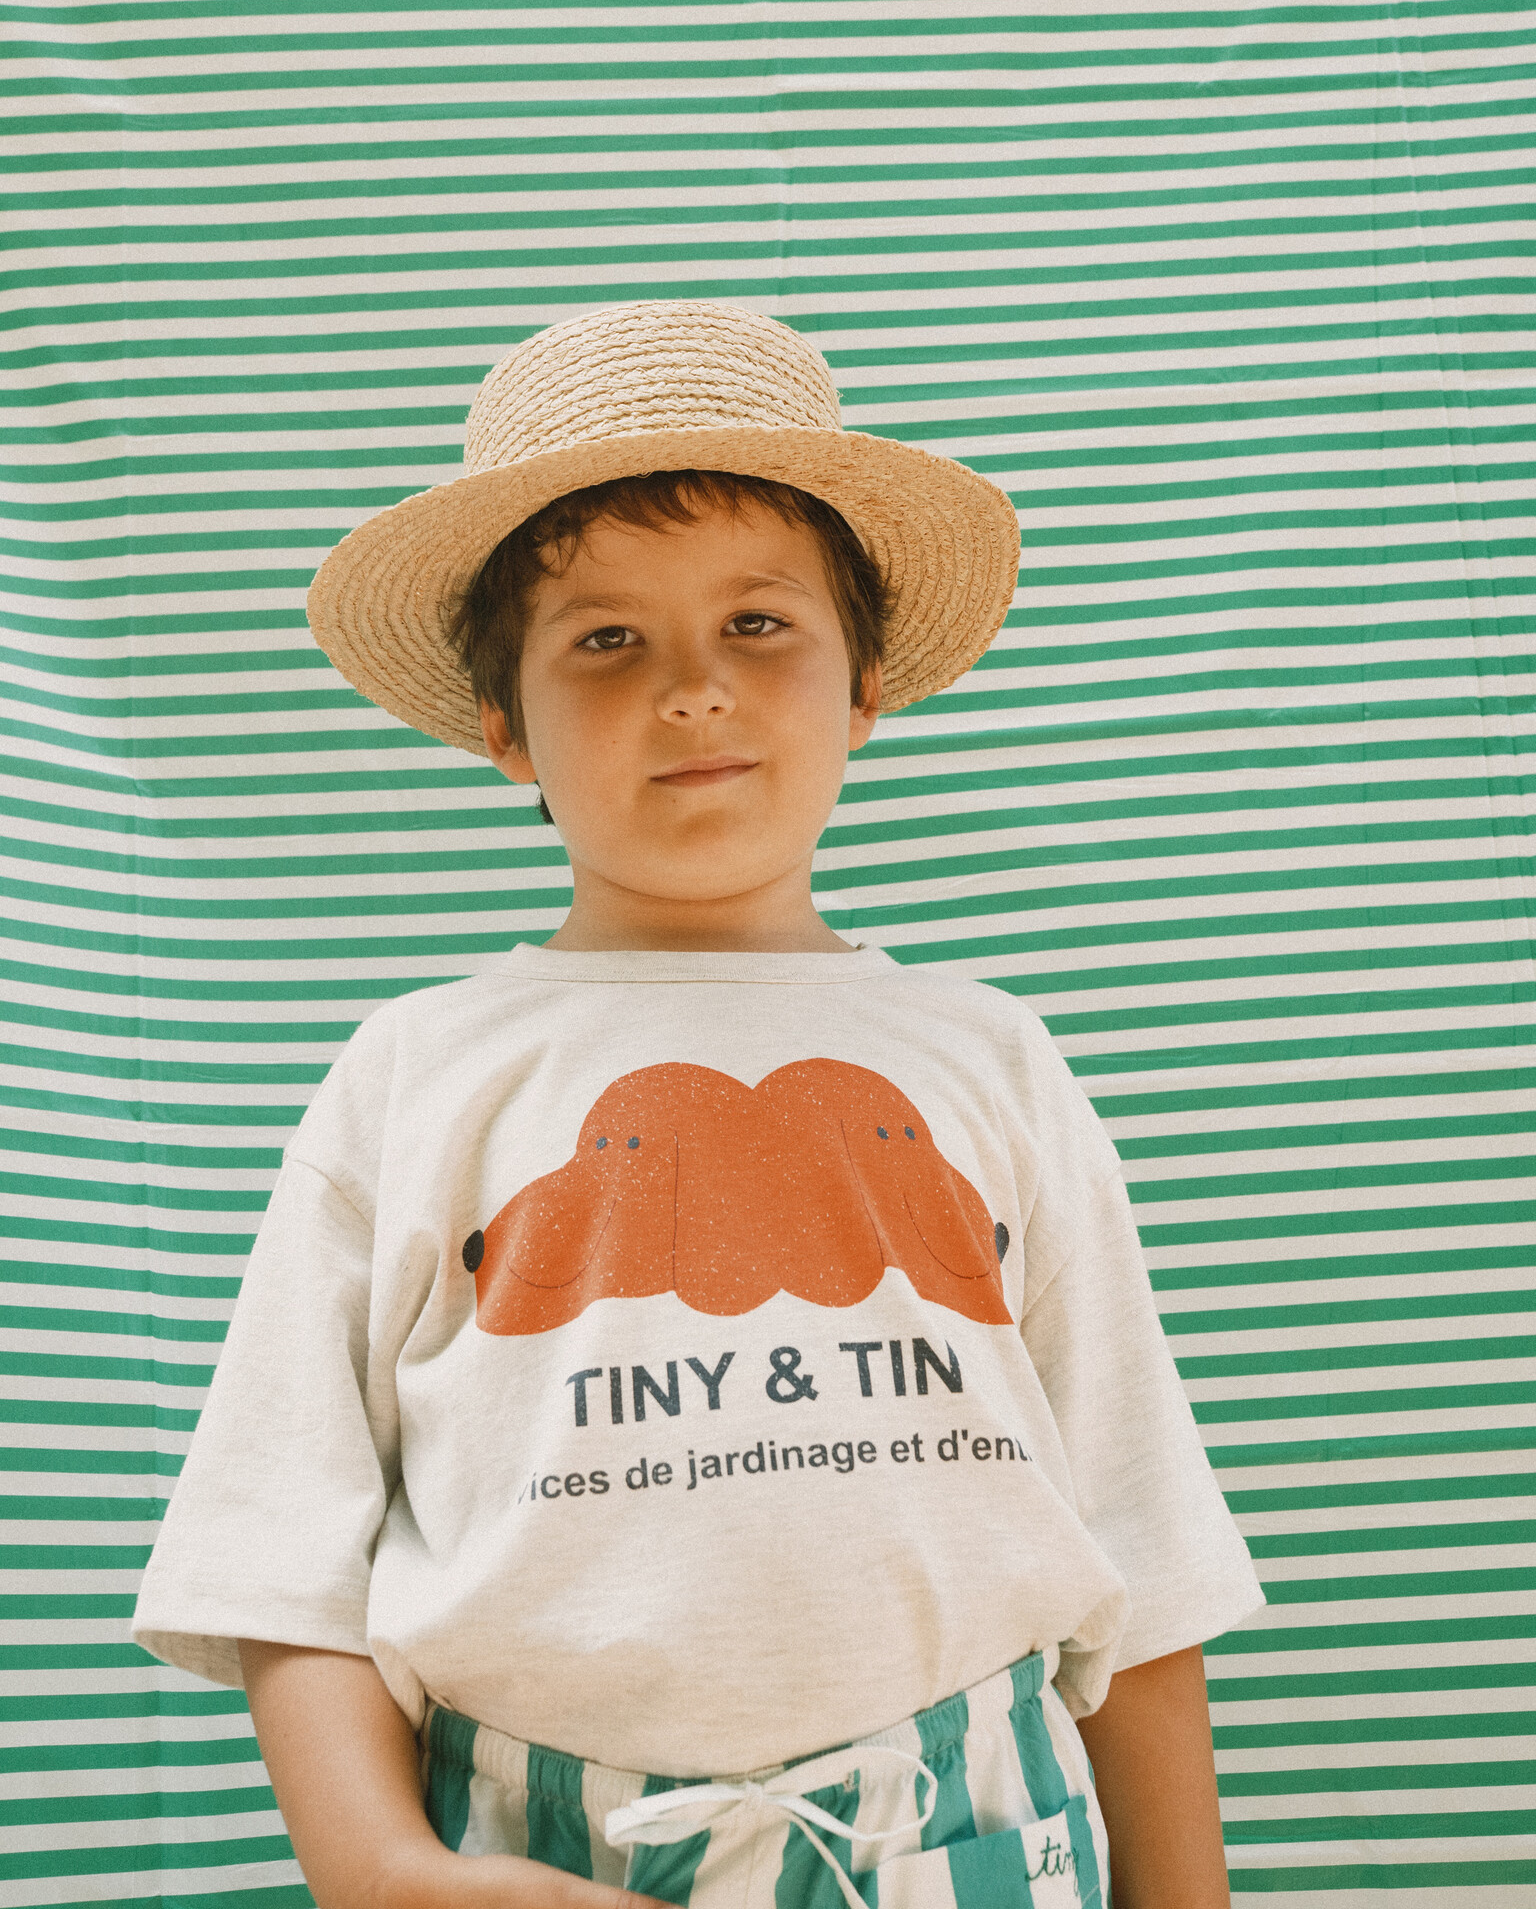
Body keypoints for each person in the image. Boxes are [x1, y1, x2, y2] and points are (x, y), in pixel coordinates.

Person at [133, 300, 1263, 1909]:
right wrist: (377, 1868)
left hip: (979, 1830)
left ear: (864, 687)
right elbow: (279, 1540)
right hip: (532, 1859)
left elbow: (1141, 1547)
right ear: (503, 725)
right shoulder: (416, 1073)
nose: (695, 690)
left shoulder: (991, 1057)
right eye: (606, 641)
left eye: (758, 623)